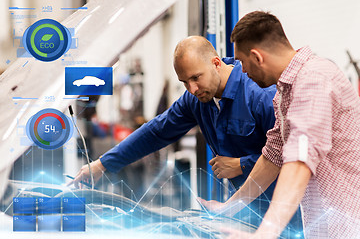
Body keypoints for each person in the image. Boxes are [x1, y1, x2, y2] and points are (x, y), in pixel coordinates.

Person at [69, 36, 283, 229]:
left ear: (216, 63)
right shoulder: (196, 100)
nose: (192, 89)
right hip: (241, 210)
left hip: (284, 211)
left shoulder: (261, 94)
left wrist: (241, 164)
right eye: (184, 82)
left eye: (196, 78)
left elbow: (289, 156)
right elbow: (156, 132)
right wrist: (102, 164)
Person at [199, 11, 360, 239]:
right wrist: (229, 208)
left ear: (257, 57)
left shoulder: (314, 79)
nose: (242, 71)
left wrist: (265, 234)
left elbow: (299, 160)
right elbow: (273, 156)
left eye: (242, 63)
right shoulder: (285, 91)